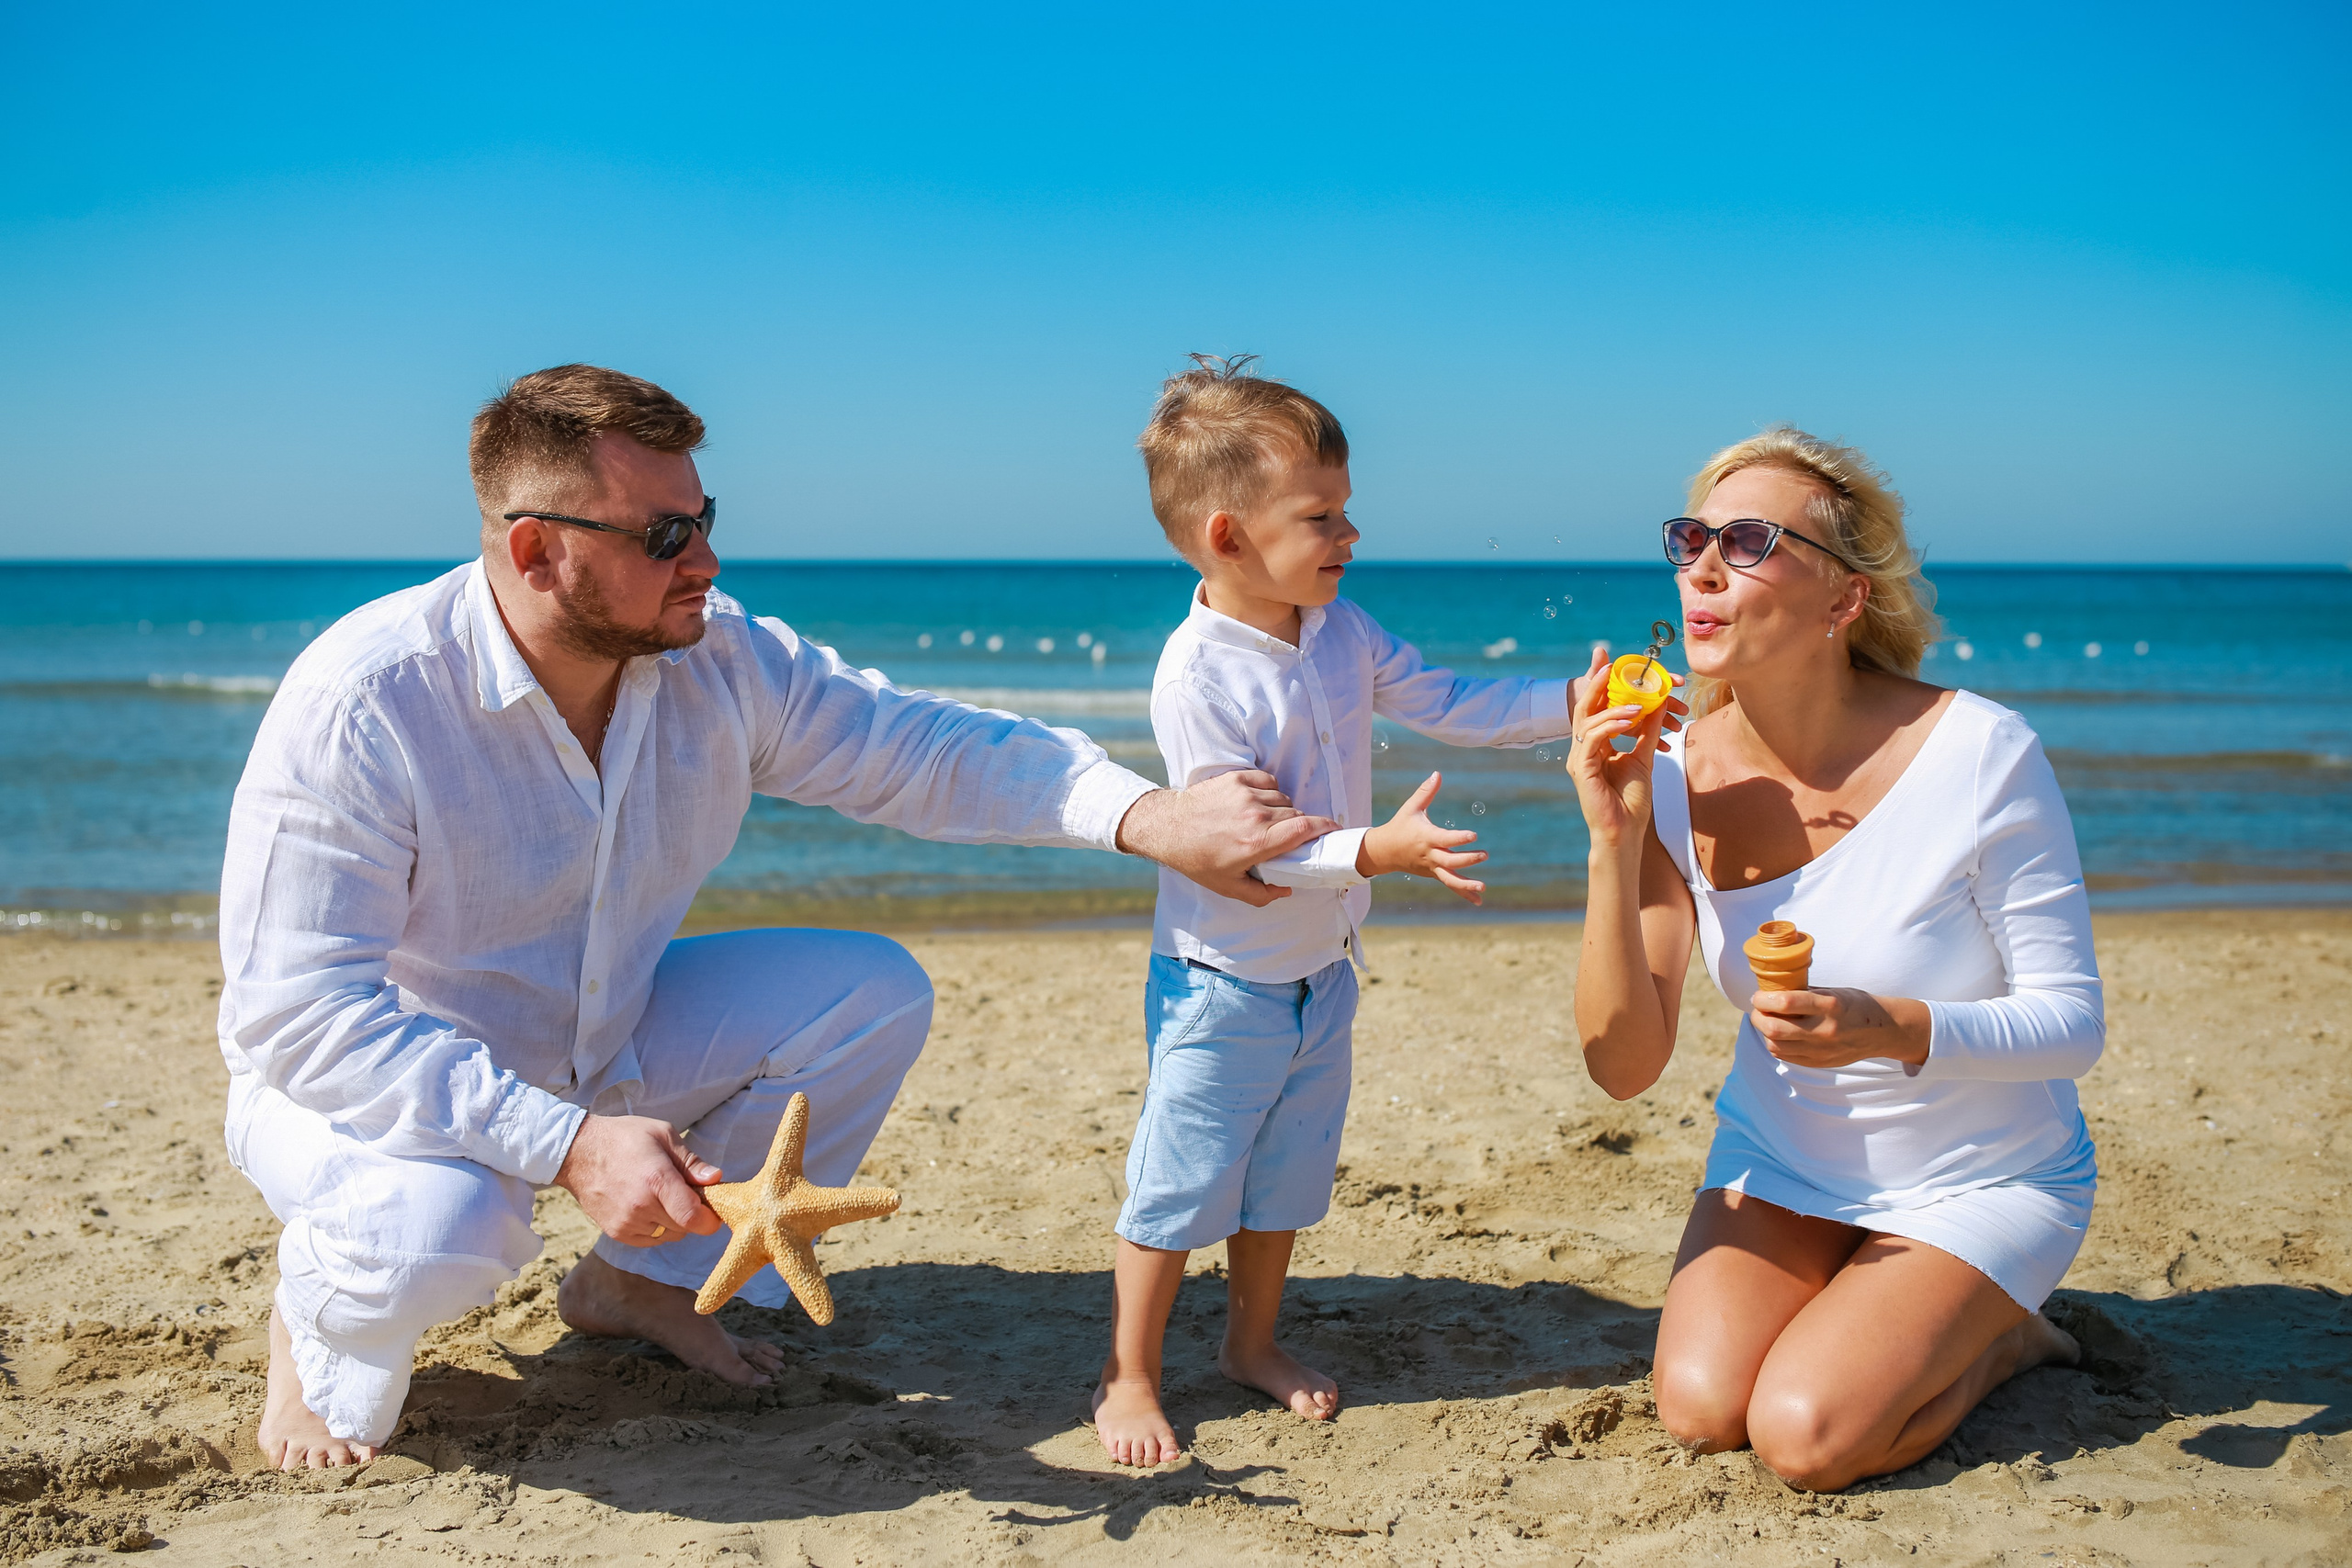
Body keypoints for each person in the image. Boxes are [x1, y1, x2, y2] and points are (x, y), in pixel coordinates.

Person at [220, 364, 1343, 1470]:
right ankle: (310, 1322)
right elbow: (302, 1018)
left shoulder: (718, 657)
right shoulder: (368, 699)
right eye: (663, 536)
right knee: (441, 1232)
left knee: (869, 996)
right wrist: (563, 1144)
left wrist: (1147, 814)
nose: (705, 559)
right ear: (536, 550)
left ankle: (633, 1286)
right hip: (370, 1090)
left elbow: (916, 747)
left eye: (703, 520)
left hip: (594, 1040)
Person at [1566, 426, 2097, 1492]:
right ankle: (1882, 1308)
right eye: (1689, 538)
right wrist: (1612, 841)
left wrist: (1884, 1026)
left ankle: (2007, 1335)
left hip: (1980, 1177)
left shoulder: (1981, 754)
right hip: (1781, 1160)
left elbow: (2071, 1026)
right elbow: (1622, 1066)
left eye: (1750, 540)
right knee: (1698, 1411)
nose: (1703, 569)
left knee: (1806, 1439)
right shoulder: (1666, 768)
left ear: (1842, 601)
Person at [1091, 357, 1582, 1466]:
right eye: (1320, 516)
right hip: (1221, 979)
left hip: (1324, 970)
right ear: (1227, 537)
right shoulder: (1197, 678)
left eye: (1345, 509)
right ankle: (1128, 1373)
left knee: (1285, 1181)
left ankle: (1250, 1344)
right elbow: (1251, 850)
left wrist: (1569, 702)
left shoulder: (1342, 629)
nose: (1348, 534)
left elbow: (1450, 700)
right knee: (1180, 1182)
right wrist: (1379, 850)